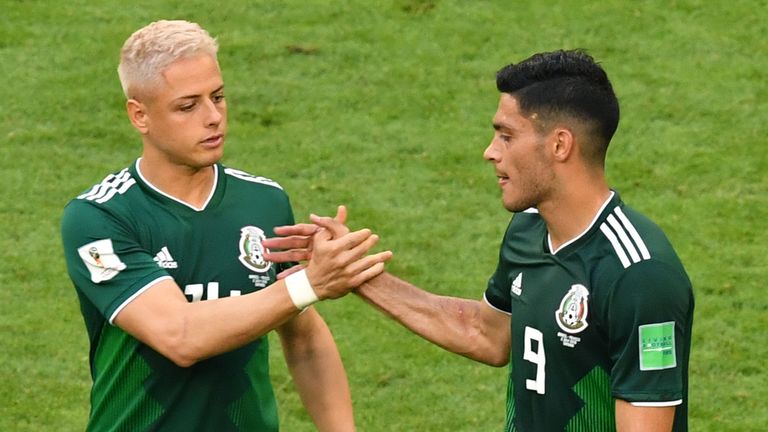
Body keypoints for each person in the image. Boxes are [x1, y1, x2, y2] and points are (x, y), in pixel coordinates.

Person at [264, 50, 694, 431]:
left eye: (506, 135)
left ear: (560, 145)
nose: (491, 151)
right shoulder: (529, 230)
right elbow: (486, 334)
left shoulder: (639, 276)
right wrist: (355, 273)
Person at [60, 20, 391, 431]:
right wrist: (309, 284)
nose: (213, 117)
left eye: (218, 97)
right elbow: (179, 336)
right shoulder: (99, 217)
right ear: (139, 115)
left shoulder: (263, 202)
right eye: (188, 106)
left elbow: (303, 338)